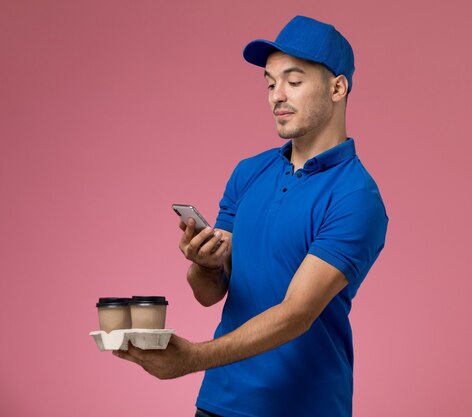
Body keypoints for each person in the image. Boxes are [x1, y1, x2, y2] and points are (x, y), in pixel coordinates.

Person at [113, 15, 388, 417]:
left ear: (338, 87)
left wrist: (191, 358)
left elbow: (297, 313)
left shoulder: (356, 197)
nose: (277, 95)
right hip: (219, 402)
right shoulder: (249, 172)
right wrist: (204, 264)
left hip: (305, 407)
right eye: (270, 83)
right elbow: (210, 293)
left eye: (293, 82)